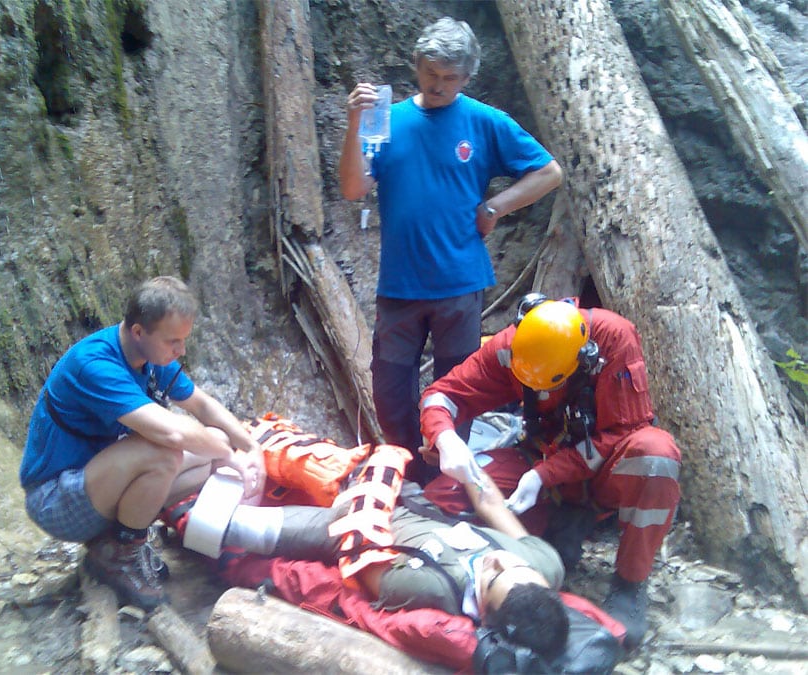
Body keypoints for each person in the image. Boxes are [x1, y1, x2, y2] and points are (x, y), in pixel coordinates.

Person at [339, 16, 564, 485]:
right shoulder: (386, 118)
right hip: (399, 284)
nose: (438, 84)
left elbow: (549, 172)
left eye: (450, 77)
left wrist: (496, 205)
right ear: (416, 65)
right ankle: (406, 473)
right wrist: (354, 122)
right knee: (390, 390)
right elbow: (354, 188)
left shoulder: (484, 121)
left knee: (457, 389)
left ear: (466, 77)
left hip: (460, 284)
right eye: (430, 73)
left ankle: (446, 481)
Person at [418, 294, 682, 647]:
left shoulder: (613, 340)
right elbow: (443, 395)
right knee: (447, 494)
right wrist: (445, 437)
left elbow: (622, 432)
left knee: (655, 456)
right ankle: (549, 533)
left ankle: (630, 583)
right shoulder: (511, 347)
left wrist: (545, 475)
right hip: (539, 459)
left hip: (598, 471)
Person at [19, 276, 266, 610]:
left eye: (183, 340)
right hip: (55, 500)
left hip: (97, 483)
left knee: (215, 443)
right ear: (138, 332)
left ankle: (116, 539)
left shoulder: (149, 357)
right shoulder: (95, 364)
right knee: (164, 452)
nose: (181, 351)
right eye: (173, 342)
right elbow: (171, 433)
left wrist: (250, 447)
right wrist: (230, 456)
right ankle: (120, 555)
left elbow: (203, 405)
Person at [186, 456, 571, 661]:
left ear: (484, 614)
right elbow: (492, 505)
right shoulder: (545, 564)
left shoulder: (430, 589)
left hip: (353, 524)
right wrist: (463, 461)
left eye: (494, 576)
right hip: (408, 499)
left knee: (219, 524)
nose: (498, 558)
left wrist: (366, 490)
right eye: (517, 565)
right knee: (285, 450)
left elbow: (357, 553)